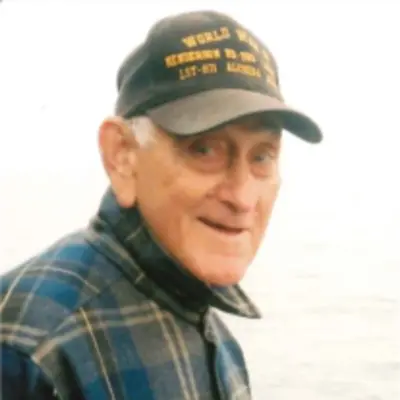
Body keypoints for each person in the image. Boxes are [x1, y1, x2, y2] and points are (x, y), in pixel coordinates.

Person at [0, 9, 322, 400]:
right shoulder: (28, 346)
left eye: (262, 156)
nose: (241, 197)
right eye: (204, 149)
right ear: (122, 155)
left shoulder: (218, 342)